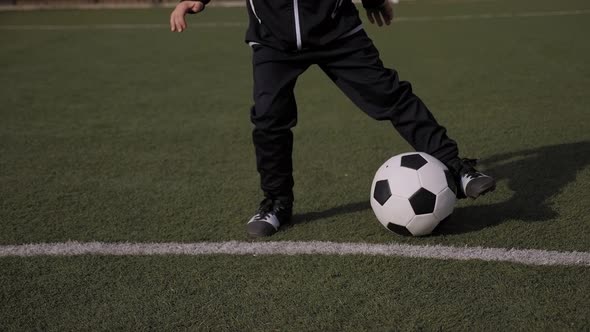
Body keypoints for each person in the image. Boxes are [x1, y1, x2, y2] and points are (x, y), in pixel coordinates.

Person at [170, 0, 496, 237]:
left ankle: (456, 168)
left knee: (388, 94)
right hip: (273, 39)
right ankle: (277, 203)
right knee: (269, 118)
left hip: (336, 30)